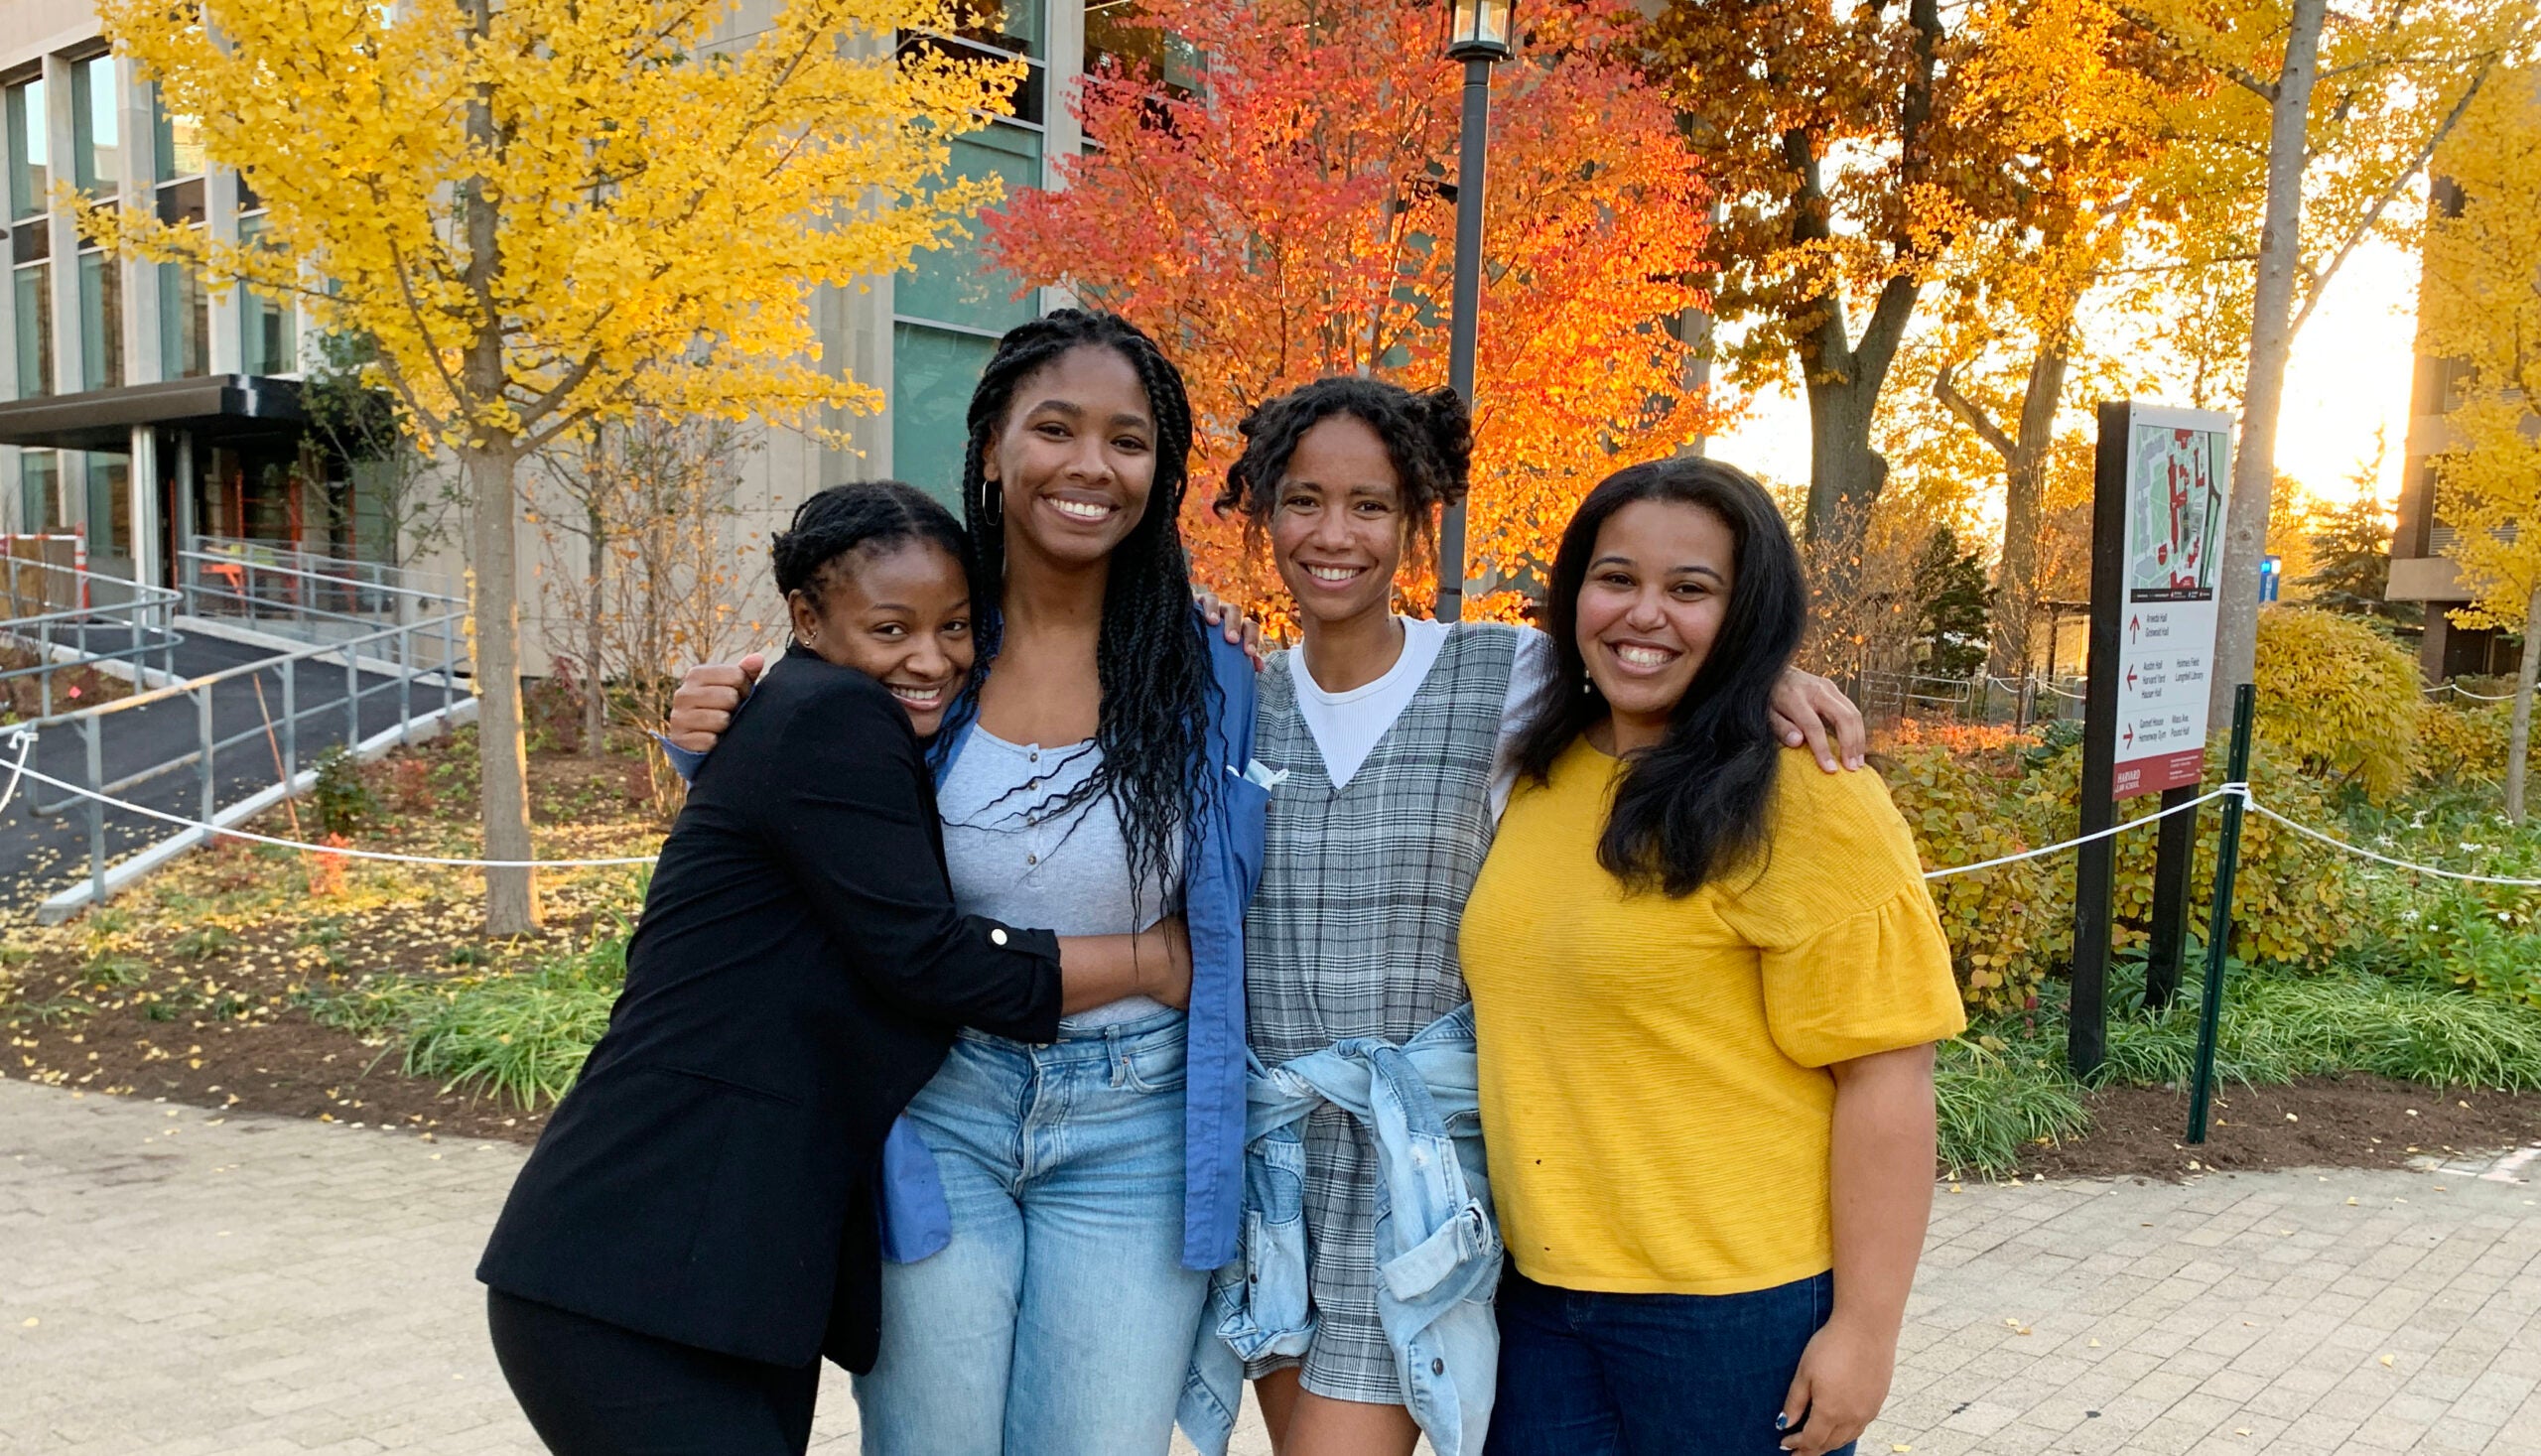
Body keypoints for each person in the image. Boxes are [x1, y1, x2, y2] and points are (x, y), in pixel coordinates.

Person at [1176, 381, 1866, 1456]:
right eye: (1303, 501)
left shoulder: (1510, 672)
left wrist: (1775, 673)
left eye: (1370, 505)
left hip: (1418, 1167)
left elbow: (1657, 656)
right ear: (1262, 511)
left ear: (1418, 520)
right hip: (1273, 1165)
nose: (1333, 534)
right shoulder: (1226, 692)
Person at [475, 481, 1195, 1456]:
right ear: (807, 620)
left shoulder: (812, 711)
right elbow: (934, 961)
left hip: (723, 1274)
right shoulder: (834, 719)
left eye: (953, 626)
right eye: (890, 627)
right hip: (628, 1271)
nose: (929, 659)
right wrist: (1152, 960)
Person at [663, 310, 1266, 1456]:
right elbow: (786, 796)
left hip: (1135, 1119)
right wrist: (705, 733)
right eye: (1055, 427)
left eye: (1128, 441)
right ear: (991, 445)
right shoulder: (923, 646)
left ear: (1161, 471)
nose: (1090, 466)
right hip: (934, 1100)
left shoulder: (1207, 671)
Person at [1459, 458, 1965, 1456]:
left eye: (1690, 590)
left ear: (1746, 614)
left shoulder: (1809, 793)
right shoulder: (1537, 765)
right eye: (1617, 579)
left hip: (1732, 1317)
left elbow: (1888, 1076)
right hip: (1538, 1306)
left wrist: (1865, 1333)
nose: (1644, 614)